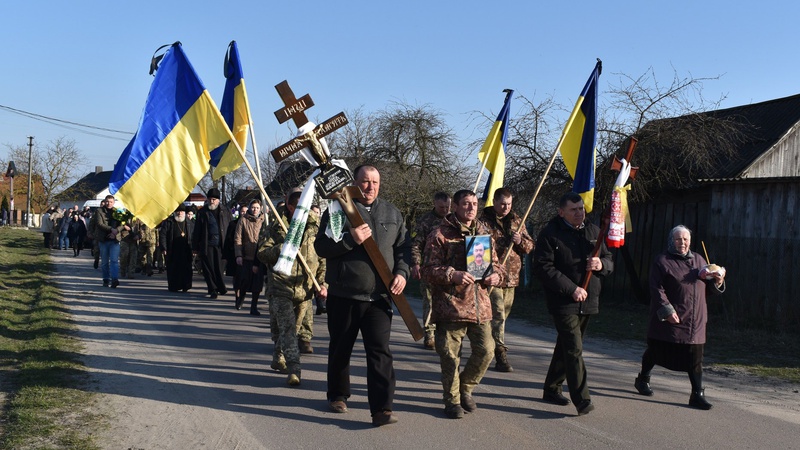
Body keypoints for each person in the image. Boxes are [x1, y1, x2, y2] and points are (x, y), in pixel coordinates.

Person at [314, 165, 410, 427]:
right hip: (344, 295)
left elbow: (403, 248)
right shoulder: (337, 211)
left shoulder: (392, 212)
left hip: (379, 298)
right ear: (354, 183)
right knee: (341, 349)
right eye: (365, 182)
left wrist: (402, 273)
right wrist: (349, 239)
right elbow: (320, 247)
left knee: (380, 353)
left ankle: (382, 409)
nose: (370, 187)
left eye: (375, 182)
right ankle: (338, 395)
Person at [421, 189, 506, 419]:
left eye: (475, 204)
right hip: (451, 306)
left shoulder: (484, 233)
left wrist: (496, 276)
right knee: (450, 357)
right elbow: (427, 270)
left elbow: (498, 265)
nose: (471, 208)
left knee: (487, 351)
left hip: (480, 306)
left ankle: (466, 388)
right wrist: (451, 274)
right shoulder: (439, 234)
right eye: (466, 204)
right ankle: (452, 401)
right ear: (455, 207)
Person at [533, 192, 613, 416]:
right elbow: (544, 268)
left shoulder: (594, 232)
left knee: (567, 346)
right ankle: (582, 399)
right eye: (574, 210)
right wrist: (572, 289)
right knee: (574, 348)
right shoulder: (550, 234)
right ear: (562, 212)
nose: (580, 213)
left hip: (588, 299)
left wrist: (601, 264)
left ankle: (551, 388)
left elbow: (609, 261)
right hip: (563, 300)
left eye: (581, 209)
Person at [633, 225, 726, 410]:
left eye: (685, 239)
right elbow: (656, 288)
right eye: (678, 239)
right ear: (671, 241)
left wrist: (718, 280)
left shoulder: (700, 260)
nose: (682, 243)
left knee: (696, 358)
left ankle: (697, 395)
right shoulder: (662, 261)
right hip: (671, 318)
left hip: (696, 319)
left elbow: (710, 289)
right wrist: (667, 311)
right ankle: (643, 378)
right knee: (656, 351)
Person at [258, 191, 326, 385]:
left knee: (294, 328)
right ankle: (294, 370)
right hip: (281, 285)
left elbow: (322, 257)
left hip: (305, 288)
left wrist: (322, 283)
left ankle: (278, 358)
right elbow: (262, 253)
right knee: (287, 329)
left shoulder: (315, 226)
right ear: (289, 207)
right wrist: (283, 248)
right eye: (297, 207)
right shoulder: (277, 226)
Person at [479, 187, 534, 372]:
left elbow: (529, 246)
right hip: (493, 276)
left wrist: (520, 241)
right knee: (499, 315)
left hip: (511, 278)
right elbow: (477, 248)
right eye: (502, 203)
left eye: (509, 204)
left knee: (500, 317)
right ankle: (500, 355)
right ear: (494, 202)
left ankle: (487, 344)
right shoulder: (483, 222)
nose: (506, 207)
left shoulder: (517, 220)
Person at [411, 191, 451, 349]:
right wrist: (415, 264)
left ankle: (445, 334)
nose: (445, 210)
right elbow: (415, 244)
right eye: (441, 207)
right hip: (429, 268)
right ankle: (429, 334)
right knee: (429, 301)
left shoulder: (454, 221)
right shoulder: (425, 221)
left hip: (448, 270)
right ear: (434, 204)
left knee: (447, 302)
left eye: (447, 207)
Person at [192, 188, 232, 298]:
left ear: (218, 200)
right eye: (210, 199)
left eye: (214, 199)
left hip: (221, 244)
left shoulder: (226, 211)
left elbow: (230, 227)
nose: (212, 201)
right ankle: (213, 289)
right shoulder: (202, 212)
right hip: (207, 244)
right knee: (208, 268)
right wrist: (195, 247)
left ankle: (220, 287)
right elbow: (197, 231)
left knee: (219, 268)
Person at [234, 199, 266, 315]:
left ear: (260, 209)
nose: (255, 210)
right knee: (244, 281)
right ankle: (240, 298)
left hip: (259, 257)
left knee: (257, 284)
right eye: (253, 207)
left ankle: (254, 306)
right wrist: (238, 255)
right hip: (246, 256)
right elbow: (238, 238)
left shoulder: (264, 220)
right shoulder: (243, 220)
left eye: (257, 208)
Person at [160, 205, 195, 292]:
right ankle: (173, 286)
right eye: (178, 212)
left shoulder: (190, 223)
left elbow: (194, 236)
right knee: (173, 269)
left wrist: (194, 248)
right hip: (172, 250)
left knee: (186, 268)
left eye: (182, 212)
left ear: (185, 213)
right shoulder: (169, 222)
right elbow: (163, 235)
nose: (180, 213)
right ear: (175, 212)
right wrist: (164, 248)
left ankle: (185, 286)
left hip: (186, 249)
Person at [91, 195, 123, 288]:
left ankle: (114, 279)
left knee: (114, 261)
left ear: (114, 202)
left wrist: (116, 231)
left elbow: (122, 224)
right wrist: (111, 229)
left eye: (111, 202)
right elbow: (99, 224)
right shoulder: (99, 211)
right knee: (105, 262)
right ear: (105, 202)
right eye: (107, 201)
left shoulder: (118, 211)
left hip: (114, 239)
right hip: (103, 239)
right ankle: (106, 279)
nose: (109, 203)